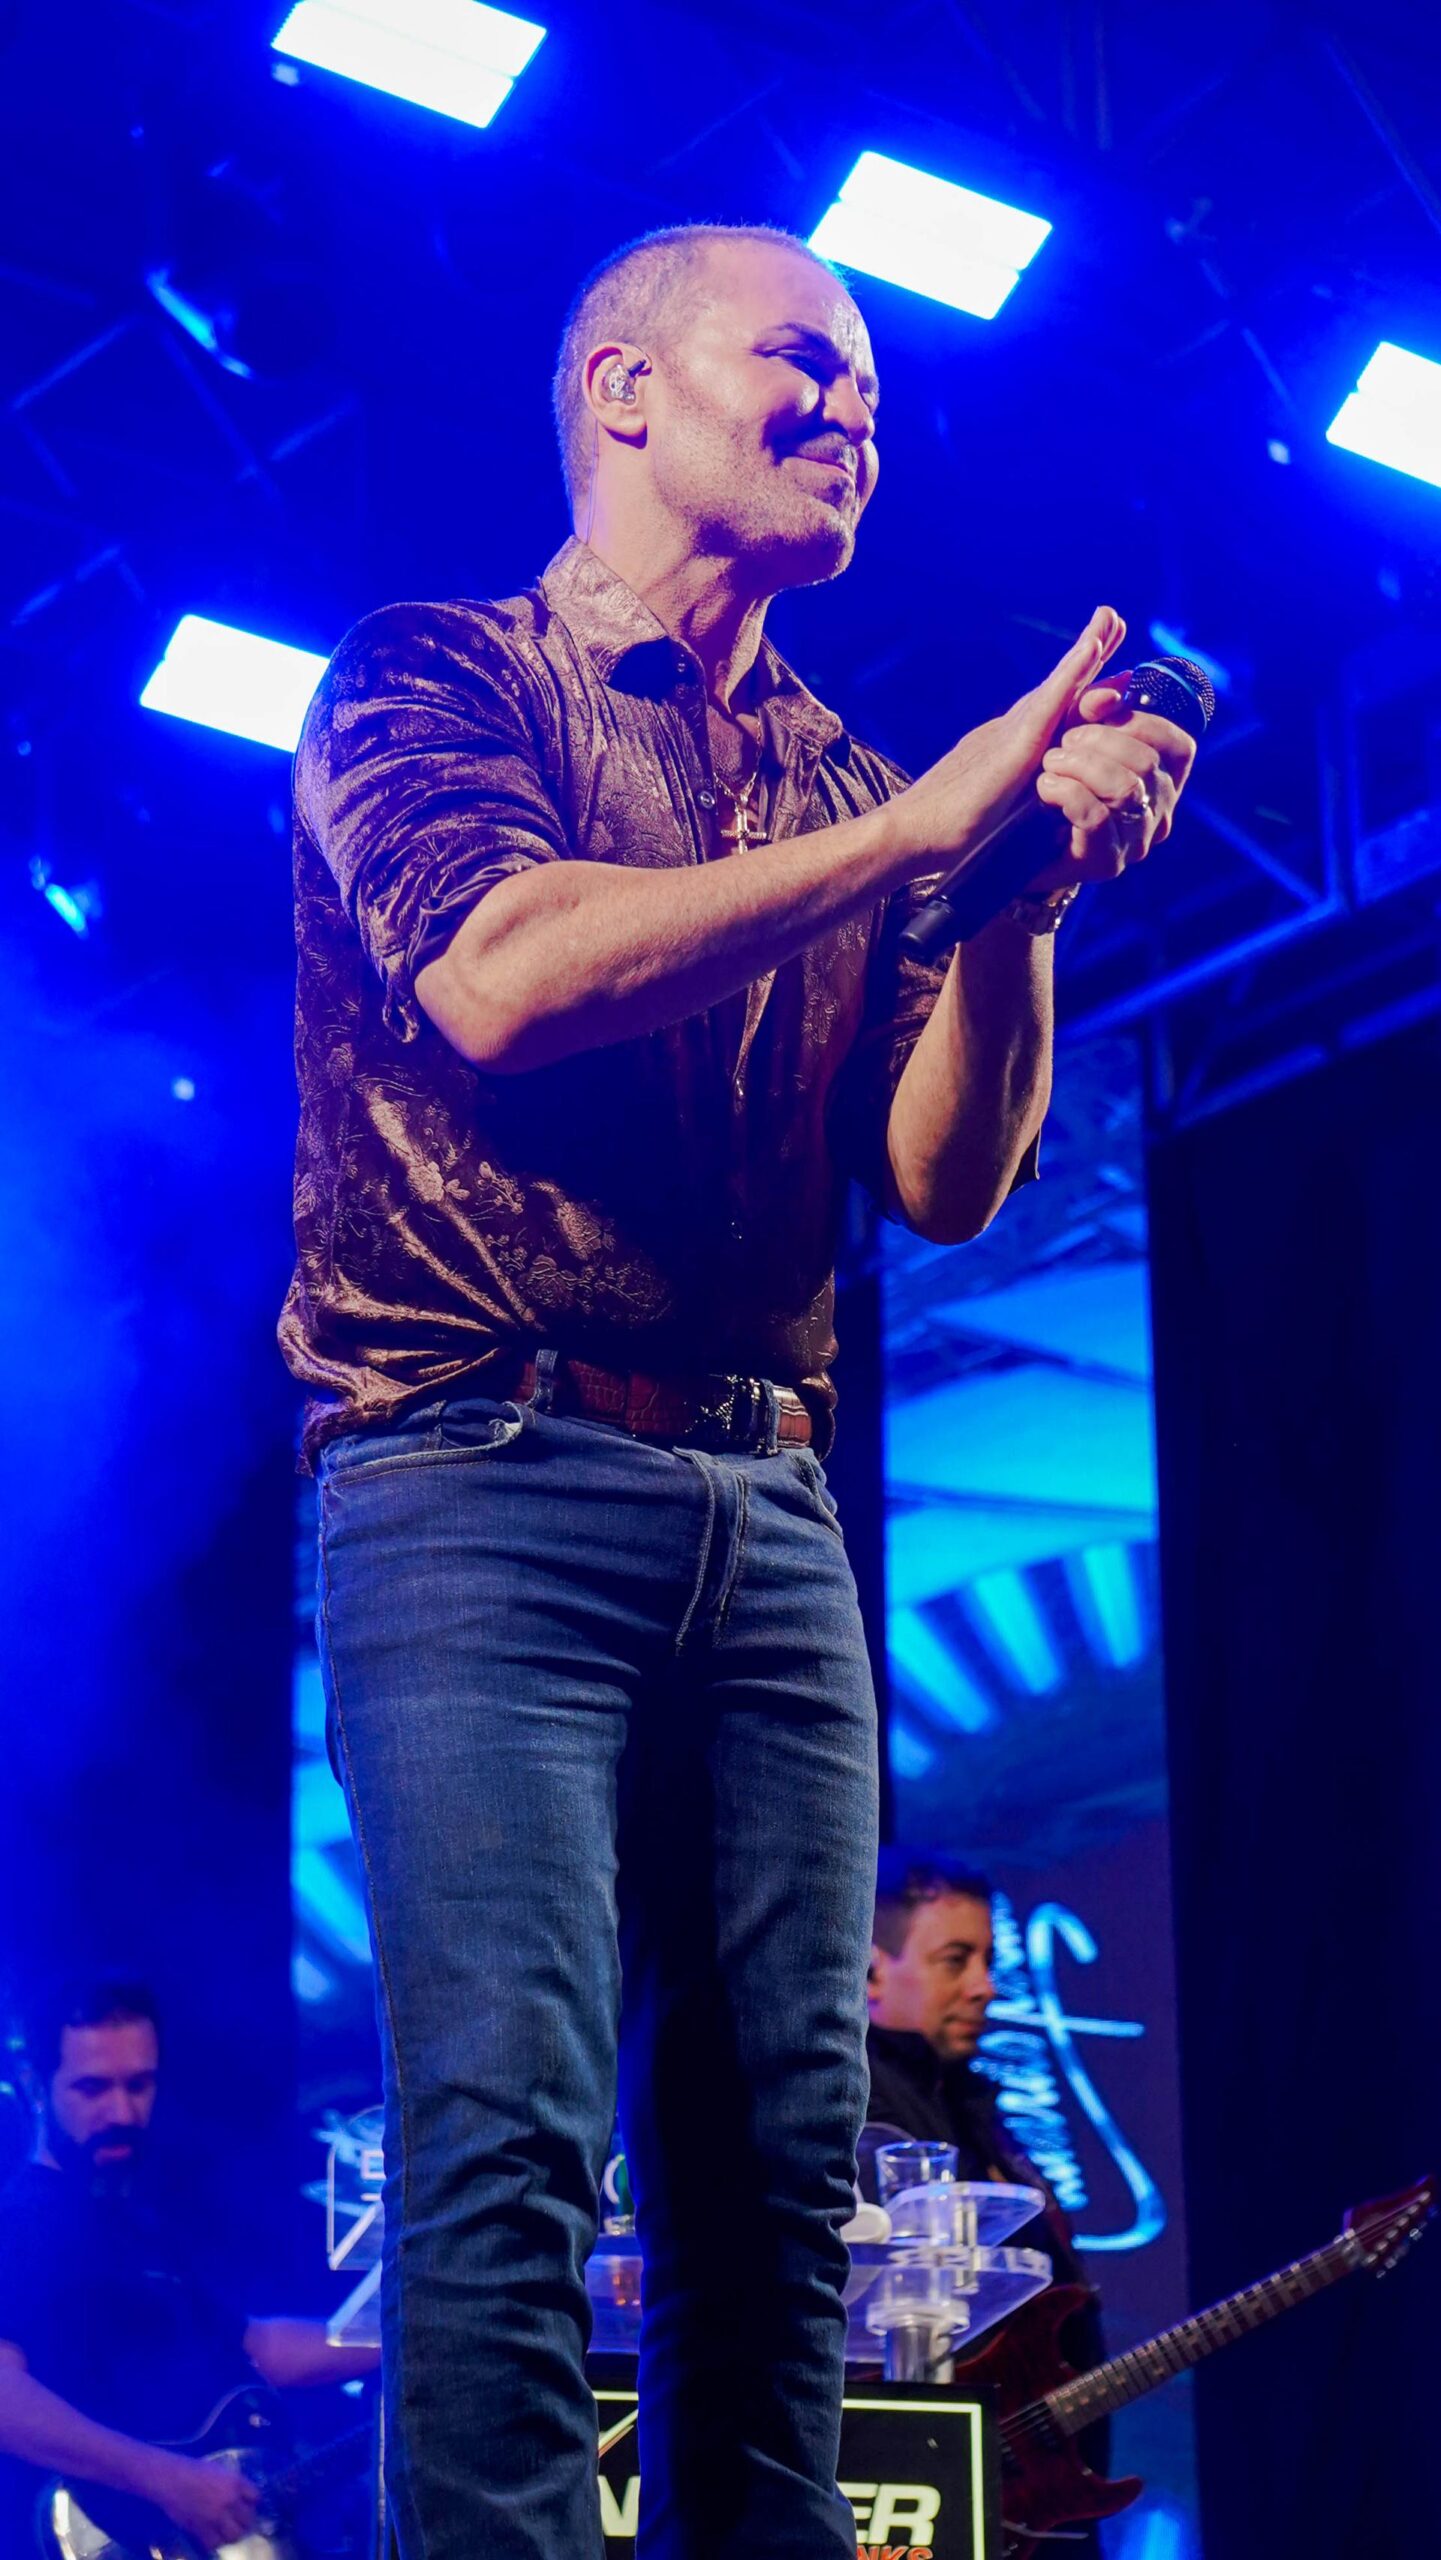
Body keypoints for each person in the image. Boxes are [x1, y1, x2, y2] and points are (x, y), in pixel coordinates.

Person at [279, 219, 1194, 2560]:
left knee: (779, 2168)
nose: (853, 410)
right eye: (803, 360)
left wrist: (1009, 903)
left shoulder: (841, 773)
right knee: (503, 2132)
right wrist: (911, 837)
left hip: (768, 1506)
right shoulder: (434, 676)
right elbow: (497, 974)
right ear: (620, 389)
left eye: (873, 386)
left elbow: (946, 1176)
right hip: (475, 1473)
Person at [0, 1978, 376, 2555]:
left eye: (139, 2084)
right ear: (33, 2084)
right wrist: (165, 2479)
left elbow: (255, 2347)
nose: (122, 2111)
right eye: (92, 2088)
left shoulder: (138, 2224)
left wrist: (403, 2338)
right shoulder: (19, 2221)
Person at [864, 1849, 1106, 2525]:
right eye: (955, 1960)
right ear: (871, 1970)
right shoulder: (848, 2105)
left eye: (988, 1961)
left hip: (1029, 2493)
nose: (985, 1987)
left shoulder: (972, 2105)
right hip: (935, 2486)